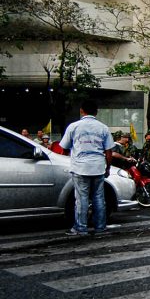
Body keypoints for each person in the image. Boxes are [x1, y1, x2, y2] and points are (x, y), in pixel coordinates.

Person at [58, 99, 115, 236]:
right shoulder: (103, 128)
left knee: (81, 198)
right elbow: (109, 152)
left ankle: (80, 228)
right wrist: (107, 168)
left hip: (80, 167)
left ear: (81, 111)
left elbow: (64, 148)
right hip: (98, 167)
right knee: (99, 198)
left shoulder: (74, 126)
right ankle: (100, 227)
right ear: (96, 112)